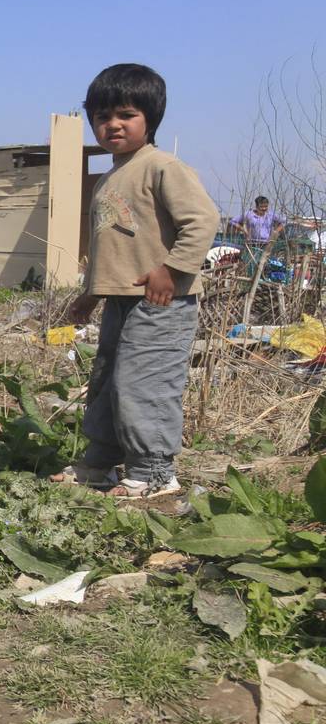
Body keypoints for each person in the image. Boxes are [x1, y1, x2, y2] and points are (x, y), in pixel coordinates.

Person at [53, 63, 220, 500]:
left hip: (161, 301)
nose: (112, 125)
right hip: (120, 300)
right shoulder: (111, 176)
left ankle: (154, 472)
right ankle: (101, 463)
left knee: (145, 384)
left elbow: (202, 221)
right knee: (109, 379)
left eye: (125, 115)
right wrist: (90, 296)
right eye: (102, 116)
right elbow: (110, 247)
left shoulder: (161, 166)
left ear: (151, 119)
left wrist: (173, 269)